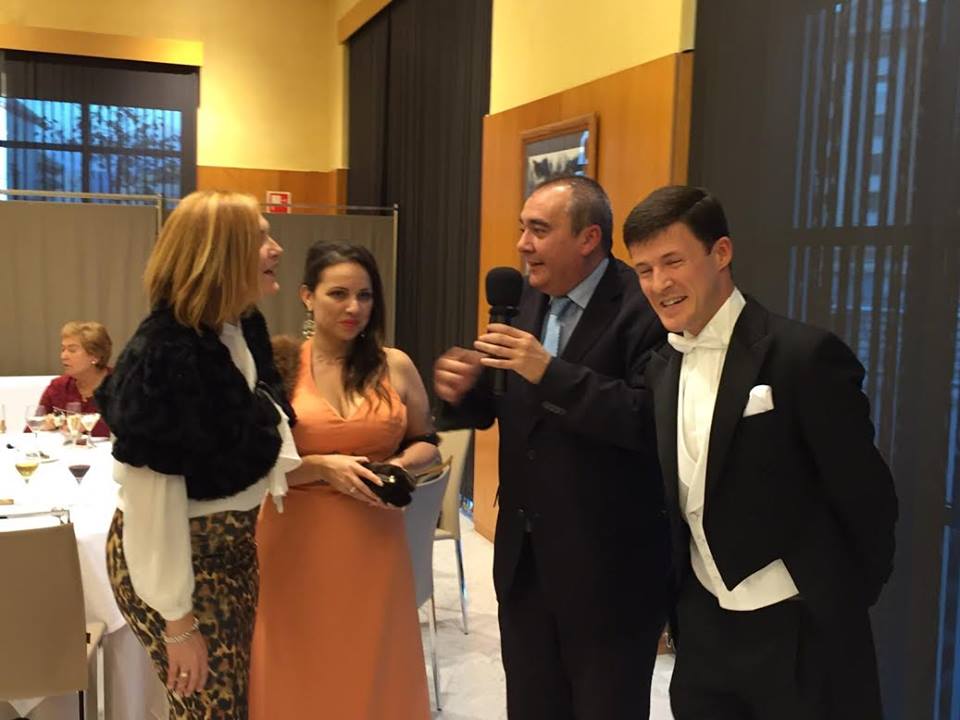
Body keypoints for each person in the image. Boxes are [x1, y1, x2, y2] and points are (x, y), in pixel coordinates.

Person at [623, 185, 898, 720]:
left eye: (673, 262)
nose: (658, 284)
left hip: (799, 635)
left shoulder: (803, 355)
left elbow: (868, 497)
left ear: (721, 253)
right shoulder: (660, 366)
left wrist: (836, 602)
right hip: (704, 632)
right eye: (644, 270)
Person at [434, 176, 669, 719]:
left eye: (538, 230)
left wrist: (549, 371)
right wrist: (465, 390)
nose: (523, 244)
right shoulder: (525, 297)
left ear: (589, 238)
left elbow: (648, 420)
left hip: (610, 569)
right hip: (526, 561)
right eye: (523, 229)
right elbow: (506, 405)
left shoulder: (644, 306)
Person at [96, 190, 300, 720]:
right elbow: (152, 498)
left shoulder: (241, 328)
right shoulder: (165, 355)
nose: (276, 249)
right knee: (210, 710)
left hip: (229, 550)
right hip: (180, 561)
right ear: (220, 254)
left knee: (224, 705)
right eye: (260, 238)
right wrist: (178, 620)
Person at [250, 241, 439, 720]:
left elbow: (428, 443)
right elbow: (250, 463)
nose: (354, 307)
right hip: (294, 539)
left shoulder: (395, 365)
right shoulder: (277, 364)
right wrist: (320, 466)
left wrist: (401, 466)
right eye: (338, 293)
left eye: (365, 295)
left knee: (372, 662)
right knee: (298, 666)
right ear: (307, 296)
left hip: (374, 540)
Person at [37, 320, 112, 436]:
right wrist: (44, 425)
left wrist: (90, 425)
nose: (63, 356)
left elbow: (134, 430)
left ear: (95, 356)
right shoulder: (58, 387)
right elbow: (30, 430)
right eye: (63, 349)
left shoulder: (122, 386)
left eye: (72, 350)